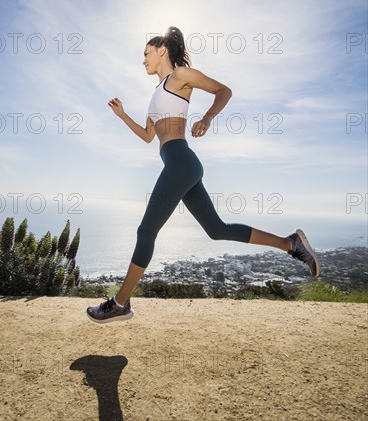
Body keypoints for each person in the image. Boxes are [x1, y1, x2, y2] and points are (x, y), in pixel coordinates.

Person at [86, 26, 320, 324]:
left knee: (146, 232)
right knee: (217, 229)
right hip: (179, 164)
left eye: (146, 54)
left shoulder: (180, 76)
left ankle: (120, 303)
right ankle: (291, 244)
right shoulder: (155, 93)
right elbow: (147, 136)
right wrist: (122, 116)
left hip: (181, 162)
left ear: (161, 51)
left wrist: (207, 117)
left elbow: (224, 91)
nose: (143, 60)